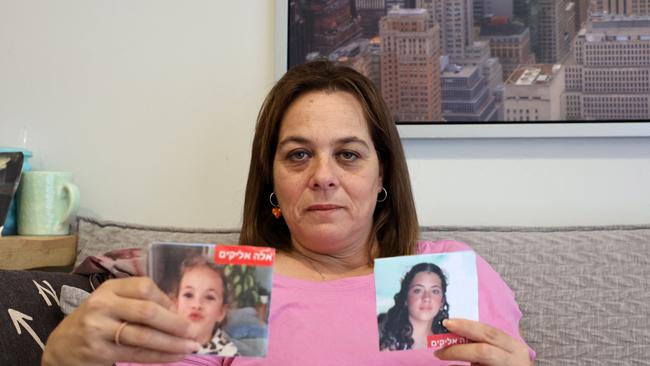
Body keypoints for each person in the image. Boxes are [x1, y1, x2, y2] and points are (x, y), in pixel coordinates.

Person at [42, 60, 534, 366]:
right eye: (298, 155)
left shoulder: (447, 271)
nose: (323, 175)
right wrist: (61, 359)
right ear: (271, 181)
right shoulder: (225, 282)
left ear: (382, 175)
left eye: (348, 154)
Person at [171, 255, 237, 356]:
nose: (197, 305)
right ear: (176, 305)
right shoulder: (162, 343)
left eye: (209, 297)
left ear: (221, 312)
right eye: (188, 295)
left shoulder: (229, 354)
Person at [378, 262, 450, 351]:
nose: (426, 298)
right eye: (418, 290)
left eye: (435, 291)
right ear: (405, 298)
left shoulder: (448, 343)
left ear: (442, 301)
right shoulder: (383, 342)